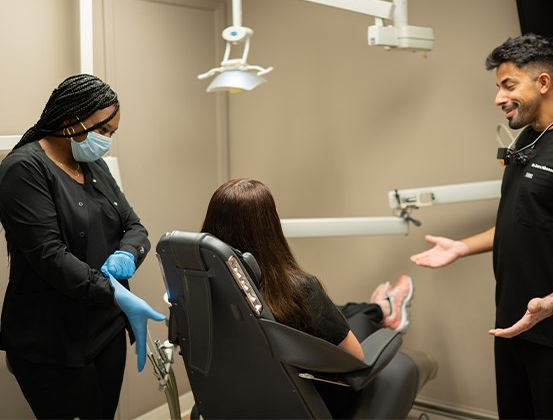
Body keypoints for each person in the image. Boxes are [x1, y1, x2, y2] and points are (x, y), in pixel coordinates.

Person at [410, 33, 553, 419]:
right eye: (497, 87)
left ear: (543, 82)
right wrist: (461, 247)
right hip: (512, 326)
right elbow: (524, 221)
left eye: (508, 86)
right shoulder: (529, 139)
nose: (498, 98)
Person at [0, 74, 164, 420]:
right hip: (51, 340)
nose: (106, 141)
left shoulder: (95, 167)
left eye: (111, 134)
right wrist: (117, 294)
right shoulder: (23, 170)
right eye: (102, 130)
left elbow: (135, 226)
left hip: (104, 329)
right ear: (71, 117)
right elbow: (50, 257)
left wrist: (126, 254)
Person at [201, 178, 414, 357]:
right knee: (358, 319)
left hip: (239, 392)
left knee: (336, 310)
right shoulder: (298, 288)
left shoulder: (200, 284)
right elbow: (356, 356)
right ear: (270, 225)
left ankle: (382, 306)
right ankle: (385, 310)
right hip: (310, 394)